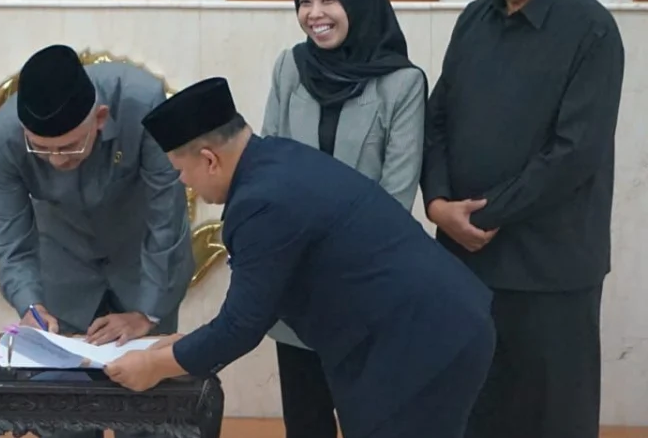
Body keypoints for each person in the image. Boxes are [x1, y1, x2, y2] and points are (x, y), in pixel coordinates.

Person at [105, 77, 495, 438]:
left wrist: (156, 366)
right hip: (425, 333)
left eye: (181, 170)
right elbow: (265, 297)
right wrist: (180, 349)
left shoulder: (260, 204)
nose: (182, 182)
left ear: (209, 159)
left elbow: (241, 326)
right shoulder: (275, 159)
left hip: (420, 346)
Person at [421, 0, 625, 438]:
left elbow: (574, 153)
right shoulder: (473, 21)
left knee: (553, 418)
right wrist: (438, 204)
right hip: (467, 264)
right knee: (473, 411)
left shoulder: (591, 30)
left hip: (551, 267)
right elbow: (435, 121)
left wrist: (479, 216)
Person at [260, 0, 428, 438]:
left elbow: (395, 197)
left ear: (359, 2)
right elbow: (268, 167)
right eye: (305, 2)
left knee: (369, 420)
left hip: (364, 285)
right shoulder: (290, 66)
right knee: (305, 422)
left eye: (330, 0)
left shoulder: (403, 82)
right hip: (294, 281)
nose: (315, 14)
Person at [0, 44, 195, 351]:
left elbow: (167, 216)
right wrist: (31, 306)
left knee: (148, 386)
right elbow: (12, 241)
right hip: (62, 274)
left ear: (100, 118)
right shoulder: (3, 136)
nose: (56, 161)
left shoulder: (142, 103)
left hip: (145, 270)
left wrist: (146, 313)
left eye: (68, 147)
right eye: (41, 149)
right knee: (66, 392)